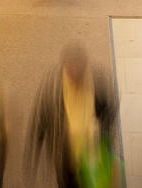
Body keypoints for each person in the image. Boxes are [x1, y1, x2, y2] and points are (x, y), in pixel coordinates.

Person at [27, 46, 117, 188]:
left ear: (85, 66)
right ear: (64, 68)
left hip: (94, 156)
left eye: (79, 71)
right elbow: (39, 119)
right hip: (65, 159)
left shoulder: (99, 80)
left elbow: (112, 106)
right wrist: (32, 157)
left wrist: (103, 127)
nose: (75, 75)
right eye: (71, 71)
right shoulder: (52, 86)